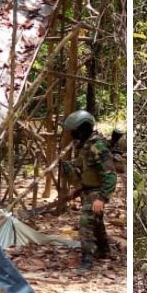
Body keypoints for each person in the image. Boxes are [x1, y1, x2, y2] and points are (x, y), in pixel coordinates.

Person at [62, 110, 117, 271]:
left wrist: (102, 198)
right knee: (97, 221)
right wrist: (79, 189)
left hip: (96, 192)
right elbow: (86, 171)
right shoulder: (86, 145)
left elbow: (110, 174)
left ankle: (87, 260)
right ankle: (104, 251)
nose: (72, 135)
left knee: (85, 224)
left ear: (82, 129)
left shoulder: (97, 146)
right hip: (88, 190)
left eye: (74, 131)